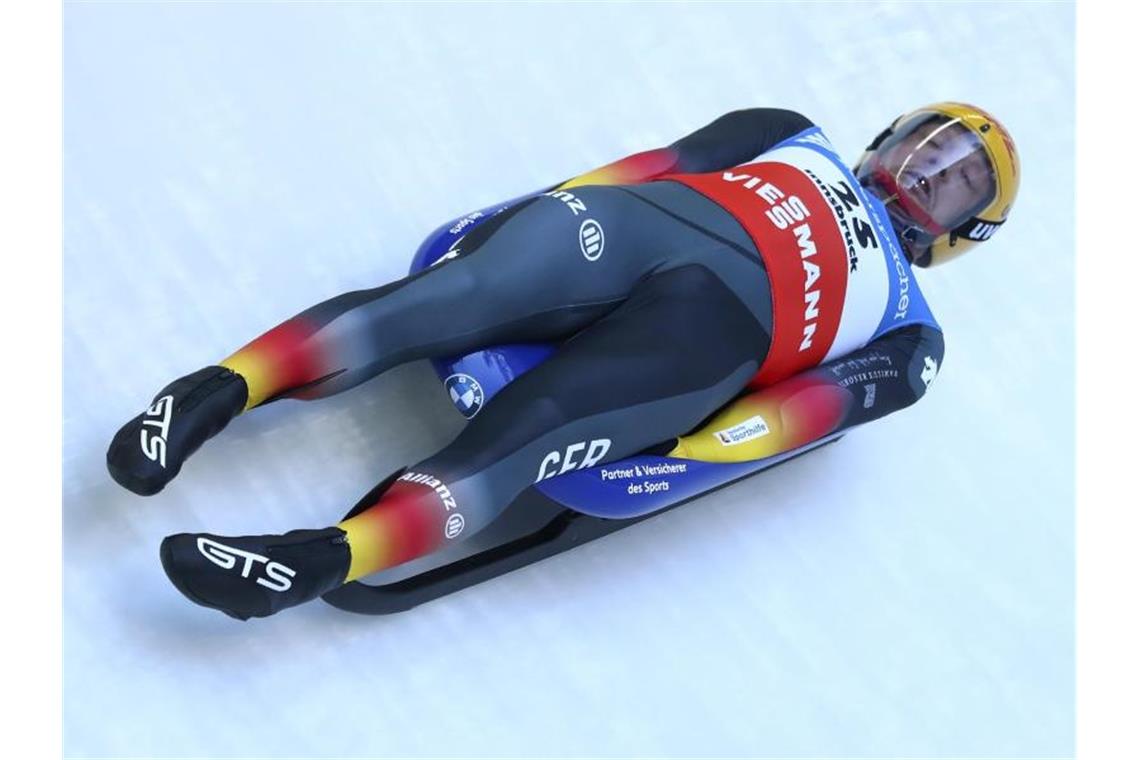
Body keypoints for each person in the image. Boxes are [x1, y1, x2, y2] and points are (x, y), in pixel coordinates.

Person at [106, 103, 1020, 620]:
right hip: (638, 230)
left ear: (960, 232)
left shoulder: (912, 336)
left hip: (711, 335)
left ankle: (322, 558)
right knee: (440, 300)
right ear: (891, 132)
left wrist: (682, 457)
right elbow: (654, 164)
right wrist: (536, 215)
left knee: (537, 427)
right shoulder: (789, 129)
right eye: (929, 148)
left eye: (957, 182)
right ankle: (210, 395)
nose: (930, 174)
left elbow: (800, 416)